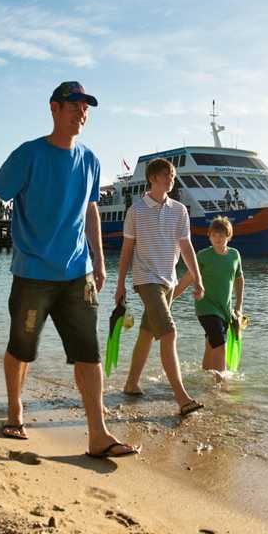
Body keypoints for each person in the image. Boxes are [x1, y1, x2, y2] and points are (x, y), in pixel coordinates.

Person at [0, 81, 138, 458]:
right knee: (22, 348)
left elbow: (91, 210)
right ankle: (15, 409)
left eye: (86, 106)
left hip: (78, 273)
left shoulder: (90, 160)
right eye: (74, 104)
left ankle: (98, 433)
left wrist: (99, 259)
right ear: (54, 108)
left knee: (89, 354)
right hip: (33, 274)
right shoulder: (29, 155)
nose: (82, 111)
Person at [116, 158, 205, 417]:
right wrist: (120, 284)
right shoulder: (136, 211)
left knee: (147, 332)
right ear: (152, 178)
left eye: (172, 176)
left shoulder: (179, 210)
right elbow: (127, 250)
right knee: (169, 333)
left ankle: (131, 383)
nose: (170, 180)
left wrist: (197, 278)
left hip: (169, 280)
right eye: (166, 175)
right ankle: (182, 398)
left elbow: (186, 246)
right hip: (146, 279)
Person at [173, 216, 243, 376]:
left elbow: (239, 280)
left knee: (211, 346)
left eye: (222, 235)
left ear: (229, 236)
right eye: (214, 235)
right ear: (209, 236)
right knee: (220, 345)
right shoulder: (203, 256)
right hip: (206, 307)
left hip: (225, 309)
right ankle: (221, 384)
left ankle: (204, 379)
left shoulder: (234, 255)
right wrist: (168, 301)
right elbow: (186, 280)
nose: (218, 238)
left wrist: (238, 307)